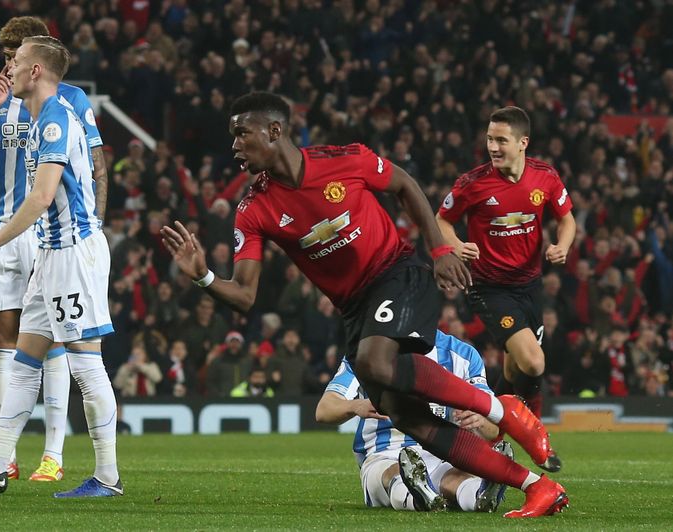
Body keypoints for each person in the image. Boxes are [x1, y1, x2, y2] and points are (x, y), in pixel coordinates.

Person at [160, 92, 565, 518]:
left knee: (374, 361)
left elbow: (405, 185)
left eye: (242, 134)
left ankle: (505, 410)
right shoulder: (254, 208)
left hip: (397, 274)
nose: (235, 146)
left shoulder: (344, 159)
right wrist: (203, 276)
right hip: (355, 310)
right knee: (410, 417)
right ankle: (537, 486)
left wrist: (440, 250)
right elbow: (244, 295)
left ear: (274, 131)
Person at [0, 36, 120, 498]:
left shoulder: (56, 119)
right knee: (24, 360)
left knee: (86, 364)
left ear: (35, 71)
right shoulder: (40, 117)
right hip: (51, 254)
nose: (10, 69)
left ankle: (107, 476)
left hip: (72, 253)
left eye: (17, 61)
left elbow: (40, 197)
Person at [436, 106, 576, 419]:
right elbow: (441, 220)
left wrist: (563, 246)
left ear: (523, 142)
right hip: (489, 288)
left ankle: (492, 430)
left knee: (514, 370)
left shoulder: (545, 177)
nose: (493, 147)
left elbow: (567, 219)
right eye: (490, 139)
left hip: (530, 286)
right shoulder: (473, 183)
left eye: (501, 140)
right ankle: (534, 425)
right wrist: (457, 246)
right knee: (534, 362)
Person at [316, 330, 512, 513]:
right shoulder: (368, 351)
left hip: (442, 451)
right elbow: (324, 410)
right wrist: (355, 405)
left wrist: (480, 420)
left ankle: (478, 496)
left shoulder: (463, 355)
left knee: (457, 478)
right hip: (385, 453)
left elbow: (493, 429)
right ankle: (421, 496)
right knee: (393, 473)